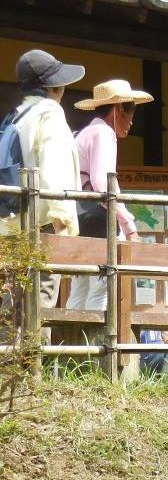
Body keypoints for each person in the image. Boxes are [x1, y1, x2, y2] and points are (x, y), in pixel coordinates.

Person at [2, 50, 85, 342]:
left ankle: (10, 375)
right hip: (42, 229)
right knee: (39, 307)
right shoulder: (50, 115)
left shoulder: (15, 117)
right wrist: (64, 227)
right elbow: (55, 172)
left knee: (11, 308)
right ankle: (33, 377)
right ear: (53, 87)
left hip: (9, 227)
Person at [66, 80, 153, 310]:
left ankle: (71, 343)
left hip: (78, 215)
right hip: (97, 216)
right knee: (101, 287)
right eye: (131, 111)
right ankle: (94, 344)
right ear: (118, 110)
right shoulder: (104, 133)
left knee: (81, 286)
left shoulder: (86, 132)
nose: (132, 120)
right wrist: (129, 225)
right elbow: (102, 183)